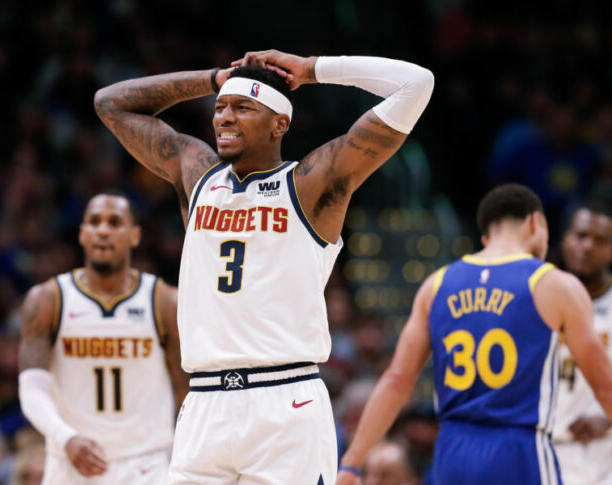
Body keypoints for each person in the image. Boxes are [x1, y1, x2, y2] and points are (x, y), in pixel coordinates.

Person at [95, 49, 433, 484]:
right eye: (220, 109)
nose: (225, 118)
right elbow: (110, 102)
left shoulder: (312, 183)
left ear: (280, 123)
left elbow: (416, 83)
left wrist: (311, 70)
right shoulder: (197, 174)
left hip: (285, 401)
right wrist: (217, 77)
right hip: (205, 402)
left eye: (243, 107)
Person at [336, 184, 612, 485]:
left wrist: (351, 462)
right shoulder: (553, 284)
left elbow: (396, 381)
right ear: (535, 224)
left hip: (452, 451)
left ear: (485, 237)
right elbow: (605, 388)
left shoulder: (436, 284)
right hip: (518, 449)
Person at [17, 192, 188, 484]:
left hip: (146, 463)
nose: (103, 231)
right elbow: (32, 388)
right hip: (70, 459)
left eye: (115, 222)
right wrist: (66, 437)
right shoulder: (47, 300)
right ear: (83, 234)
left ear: (135, 236)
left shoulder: (164, 303)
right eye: (94, 222)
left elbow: (184, 391)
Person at [552, 201, 612, 484]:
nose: (588, 246)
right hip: (546, 448)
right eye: (580, 236)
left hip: (605, 452)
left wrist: (609, 418)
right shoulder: (537, 299)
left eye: (600, 240)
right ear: (565, 240)